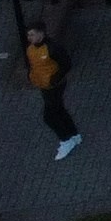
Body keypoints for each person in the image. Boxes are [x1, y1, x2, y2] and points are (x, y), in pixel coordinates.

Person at [24, 23, 81, 160]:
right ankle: (73, 135)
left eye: (32, 34)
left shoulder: (53, 48)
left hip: (54, 86)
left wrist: (54, 79)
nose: (29, 37)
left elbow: (66, 64)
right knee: (59, 110)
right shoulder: (31, 49)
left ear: (41, 33)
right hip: (44, 85)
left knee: (49, 117)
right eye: (28, 35)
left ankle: (66, 140)